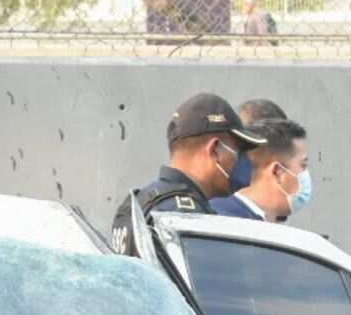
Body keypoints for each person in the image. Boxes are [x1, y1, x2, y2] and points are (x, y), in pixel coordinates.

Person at [109, 93, 265, 256]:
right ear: (215, 150)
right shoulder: (186, 218)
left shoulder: (140, 201)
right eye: (239, 151)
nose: (243, 160)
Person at [214, 119, 308, 222]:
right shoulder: (235, 227)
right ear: (277, 172)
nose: (306, 174)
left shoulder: (224, 214)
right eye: (303, 165)